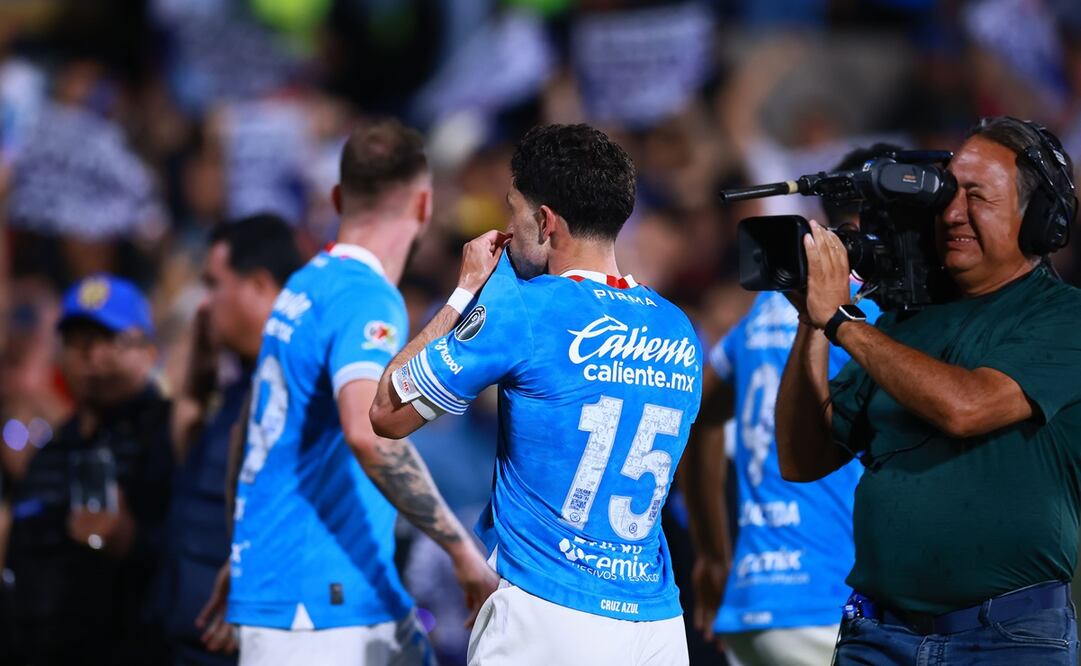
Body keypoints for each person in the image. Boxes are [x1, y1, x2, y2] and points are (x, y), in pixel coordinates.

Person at [370, 123, 703, 665]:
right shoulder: (678, 329)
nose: (508, 226)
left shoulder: (526, 308)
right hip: (656, 624)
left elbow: (388, 411)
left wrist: (464, 292)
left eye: (513, 209)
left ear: (545, 221)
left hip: (548, 613)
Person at [775, 116, 1081, 665]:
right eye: (947, 195)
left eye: (977, 197)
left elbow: (968, 407)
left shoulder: (1066, 317)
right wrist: (810, 322)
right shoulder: (899, 325)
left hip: (1008, 639)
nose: (952, 213)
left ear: (1038, 221)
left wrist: (842, 321)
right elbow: (801, 457)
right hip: (878, 635)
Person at [218, 117, 497, 666]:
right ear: (423, 205)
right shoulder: (366, 299)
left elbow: (247, 431)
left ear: (340, 196)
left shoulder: (303, 285)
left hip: (317, 591)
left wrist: (244, 549)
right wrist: (461, 549)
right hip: (317, 605)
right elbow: (370, 433)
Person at [682, 146, 891, 666]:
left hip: (756, 604)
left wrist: (712, 555)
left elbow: (699, 415)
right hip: (833, 601)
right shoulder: (880, 310)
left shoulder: (770, 304)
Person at [4, 275, 173, 665]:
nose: (92, 357)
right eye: (78, 342)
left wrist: (133, 543)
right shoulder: (54, 446)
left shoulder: (168, 436)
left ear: (148, 351)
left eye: (108, 341)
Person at [158, 214, 303, 665]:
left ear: (260, 285)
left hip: (247, 639)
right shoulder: (241, 384)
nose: (205, 304)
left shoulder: (300, 386)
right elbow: (184, 469)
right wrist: (198, 370)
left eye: (214, 284)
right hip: (193, 632)